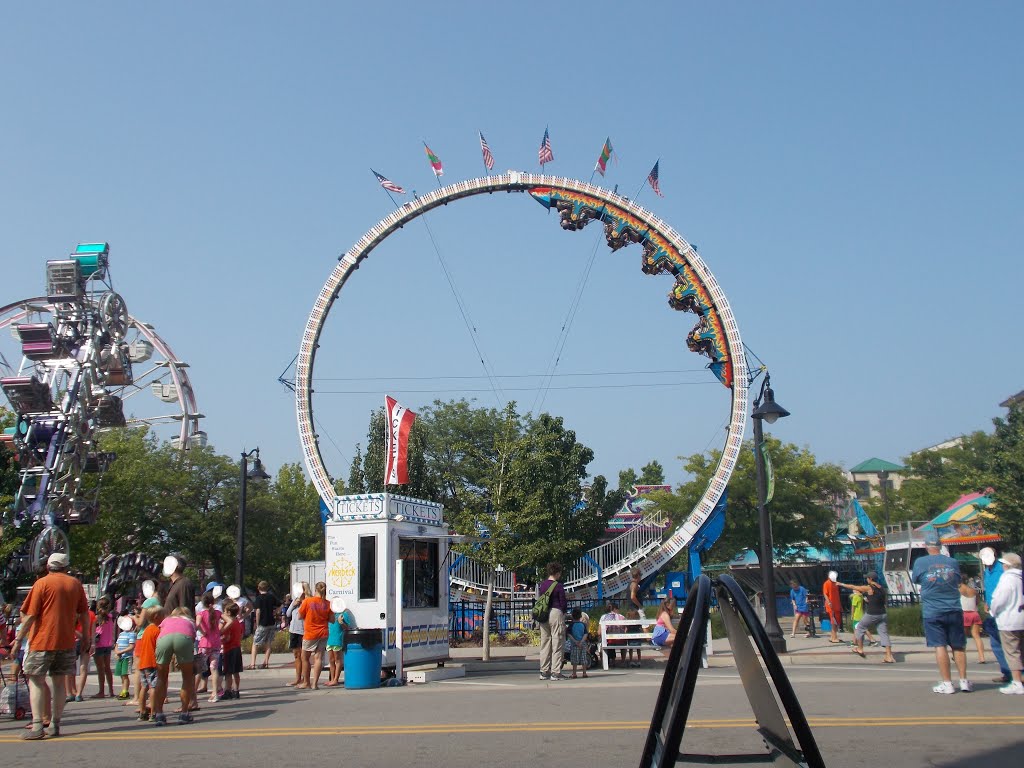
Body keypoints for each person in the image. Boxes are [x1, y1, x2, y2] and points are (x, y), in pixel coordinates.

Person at [14, 552, 91, 740]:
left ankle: (38, 725)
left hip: (42, 640)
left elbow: (31, 615)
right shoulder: (75, 584)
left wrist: (18, 640)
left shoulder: (41, 584)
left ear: (48, 566)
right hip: (66, 641)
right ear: (66, 567)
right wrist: (87, 637)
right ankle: (55, 724)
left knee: (36, 680)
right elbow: (84, 614)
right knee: (59, 682)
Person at [911, 531, 972, 694]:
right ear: (940, 546)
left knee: (940, 646)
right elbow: (958, 581)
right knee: (958, 646)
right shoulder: (952, 562)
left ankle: (947, 683)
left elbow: (916, 579)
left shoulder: (920, 562)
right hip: (953, 607)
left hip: (933, 610)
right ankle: (964, 681)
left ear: (926, 546)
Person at [152, 607, 197, 726]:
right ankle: (184, 712)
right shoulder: (190, 622)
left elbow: (161, 631)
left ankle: (159, 714)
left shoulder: (167, 620)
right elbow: (192, 639)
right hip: (184, 638)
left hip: (164, 639)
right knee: (187, 678)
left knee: (161, 677)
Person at [837, 572, 895, 663]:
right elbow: (880, 600)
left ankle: (860, 648)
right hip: (882, 613)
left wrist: (841, 584)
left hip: (872, 613)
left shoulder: (869, 588)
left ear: (871, 579)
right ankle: (889, 656)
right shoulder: (882, 588)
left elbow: (854, 587)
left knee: (860, 627)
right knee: (884, 633)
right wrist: (868, 600)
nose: (866, 579)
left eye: (867, 578)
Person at [988, 552, 1024, 695]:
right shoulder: (1020, 577)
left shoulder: (1007, 578)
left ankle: (1016, 682)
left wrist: (993, 610)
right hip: (1021, 617)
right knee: (1021, 651)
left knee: (1011, 652)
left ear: (1008, 565)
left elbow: (1000, 598)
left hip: (1008, 619)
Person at [979, 547, 1012, 684]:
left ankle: (1017, 673)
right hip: (993, 612)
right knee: (996, 643)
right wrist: (987, 602)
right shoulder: (987, 571)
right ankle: (1007, 672)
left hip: (1005, 611)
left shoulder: (1003, 569)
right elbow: (989, 588)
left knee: (1010, 644)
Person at [298, 582, 333, 690]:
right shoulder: (327, 603)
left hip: (310, 633)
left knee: (305, 658)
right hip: (323, 633)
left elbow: (299, 616)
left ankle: (306, 682)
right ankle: (315, 684)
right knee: (318, 658)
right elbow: (332, 620)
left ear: (315, 589)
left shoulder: (308, 601)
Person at [537, 562, 568, 681]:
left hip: (543, 614)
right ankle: (556, 672)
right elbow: (563, 602)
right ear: (557, 573)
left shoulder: (543, 585)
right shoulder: (558, 586)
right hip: (556, 613)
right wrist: (563, 612)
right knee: (557, 643)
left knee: (545, 643)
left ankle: (544, 671)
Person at [135, 607, 164, 721]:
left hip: (143, 662)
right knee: (153, 687)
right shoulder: (157, 630)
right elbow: (159, 647)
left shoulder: (146, 629)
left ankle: (142, 712)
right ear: (156, 617)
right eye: (162, 615)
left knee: (144, 687)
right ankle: (153, 712)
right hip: (152, 662)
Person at [195, 592, 222, 704]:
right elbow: (229, 620)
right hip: (216, 643)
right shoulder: (218, 612)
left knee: (199, 669)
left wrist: (202, 631)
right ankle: (215, 693)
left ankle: (193, 692)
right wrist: (219, 631)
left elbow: (197, 624)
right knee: (214, 668)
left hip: (205, 643)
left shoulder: (201, 613)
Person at [285, 582, 311, 687]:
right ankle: (298, 678)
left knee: (304, 656)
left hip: (304, 631)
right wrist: (294, 605)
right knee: (296, 655)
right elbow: (288, 613)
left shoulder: (308, 601)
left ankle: (305, 679)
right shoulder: (295, 600)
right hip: (293, 630)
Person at [250, 580, 280, 670]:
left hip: (262, 623)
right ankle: (266, 663)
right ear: (267, 588)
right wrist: (276, 612)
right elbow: (280, 605)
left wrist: (257, 623)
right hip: (271, 622)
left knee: (255, 643)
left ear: (258, 588)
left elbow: (258, 611)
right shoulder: (271, 597)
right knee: (268, 643)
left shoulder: (259, 598)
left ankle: (253, 664)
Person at [91, 596, 115, 698]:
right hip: (108, 644)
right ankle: (111, 690)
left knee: (100, 669)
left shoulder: (97, 618)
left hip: (99, 645)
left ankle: (101, 691)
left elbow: (92, 632)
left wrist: (91, 643)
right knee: (108, 668)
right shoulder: (110, 617)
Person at [959, 575, 987, 664]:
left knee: (962, 636)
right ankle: (982, 657)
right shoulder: (973, 591)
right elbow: (978, 602)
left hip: (963, 614)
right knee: (976, 636)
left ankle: (960, 655)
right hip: (974, 613)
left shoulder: (958, 590)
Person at [326, 605, 355, 686]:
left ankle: (336, 679)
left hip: (337, 640)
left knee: (337, 660)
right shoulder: (331, 614)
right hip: (329, 640)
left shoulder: (343, 614)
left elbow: (347, 628)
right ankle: (332, 679)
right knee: (331, 660)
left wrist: (341, 622)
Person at [220, 602, 244, 699]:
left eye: (225, 611)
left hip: (229, 649)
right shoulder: (238, 622)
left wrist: (221, 639)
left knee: (228, 672)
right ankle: (236, 690)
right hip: (237, 648)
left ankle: (228, 691)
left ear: (229, 612)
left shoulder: (228, 624)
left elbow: (227, 638)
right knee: (236, 672)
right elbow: (241, 635)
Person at [113, 612, 136, 700]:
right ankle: (123, 690)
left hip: (127, 657)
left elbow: (131, 646)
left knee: (125, 674)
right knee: (121, 675)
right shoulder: (121, 634)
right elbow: (117, 644)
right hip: (120, 657)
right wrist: (117, 652)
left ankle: (125, 691)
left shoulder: (132, 634)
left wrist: (121, 651)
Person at [568, 608, 589, 678]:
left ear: (572, 616)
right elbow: (585, 634)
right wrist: (582, 641)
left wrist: (575, 641)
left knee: (575, 659)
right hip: (582, 643)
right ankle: (584, 673)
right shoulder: (583, 625)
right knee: (583, 658)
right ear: (580, 616)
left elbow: (569, 634)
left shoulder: (571, 625)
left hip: (575, 644)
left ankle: (574, 673)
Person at [823, 571, 842, 643]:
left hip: (836, 604)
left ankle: (833, 637)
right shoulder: (827, 583)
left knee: (835, 621)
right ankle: (834, 638)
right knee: (834, 621)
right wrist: (829, 602)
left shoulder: (836, 583)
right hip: (831, 605)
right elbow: (825, 594)